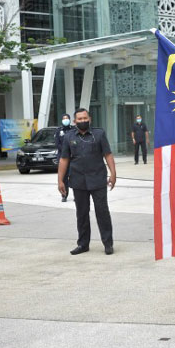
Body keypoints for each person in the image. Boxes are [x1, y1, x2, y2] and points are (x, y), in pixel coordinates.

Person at [58, 108, 117, 255]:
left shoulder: (99, 134)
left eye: (85, 118)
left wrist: (113, 173)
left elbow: (108, 154)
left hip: (98, 179)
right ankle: (83, 244)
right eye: (80, 119)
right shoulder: (68, 137)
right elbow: (64, 159)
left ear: (89, 119)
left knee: (102, 212)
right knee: (82, 214)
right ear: (74, 121)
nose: (83, 121)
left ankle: (108, 244)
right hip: (78, 181)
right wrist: (60, 180)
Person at [56, 113, 75, 202]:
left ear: (70, 120)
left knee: (74, 176)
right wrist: (65, 151)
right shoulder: (59, 130)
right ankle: (64, 195)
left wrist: (71, 151)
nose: (65, 120)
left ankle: (77, 195)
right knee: (63, 177)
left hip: (73, 157)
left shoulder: (74, 130)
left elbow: (75, 142)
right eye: (64, 118)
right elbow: (57, 143)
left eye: (67, 118)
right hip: (63, 157)